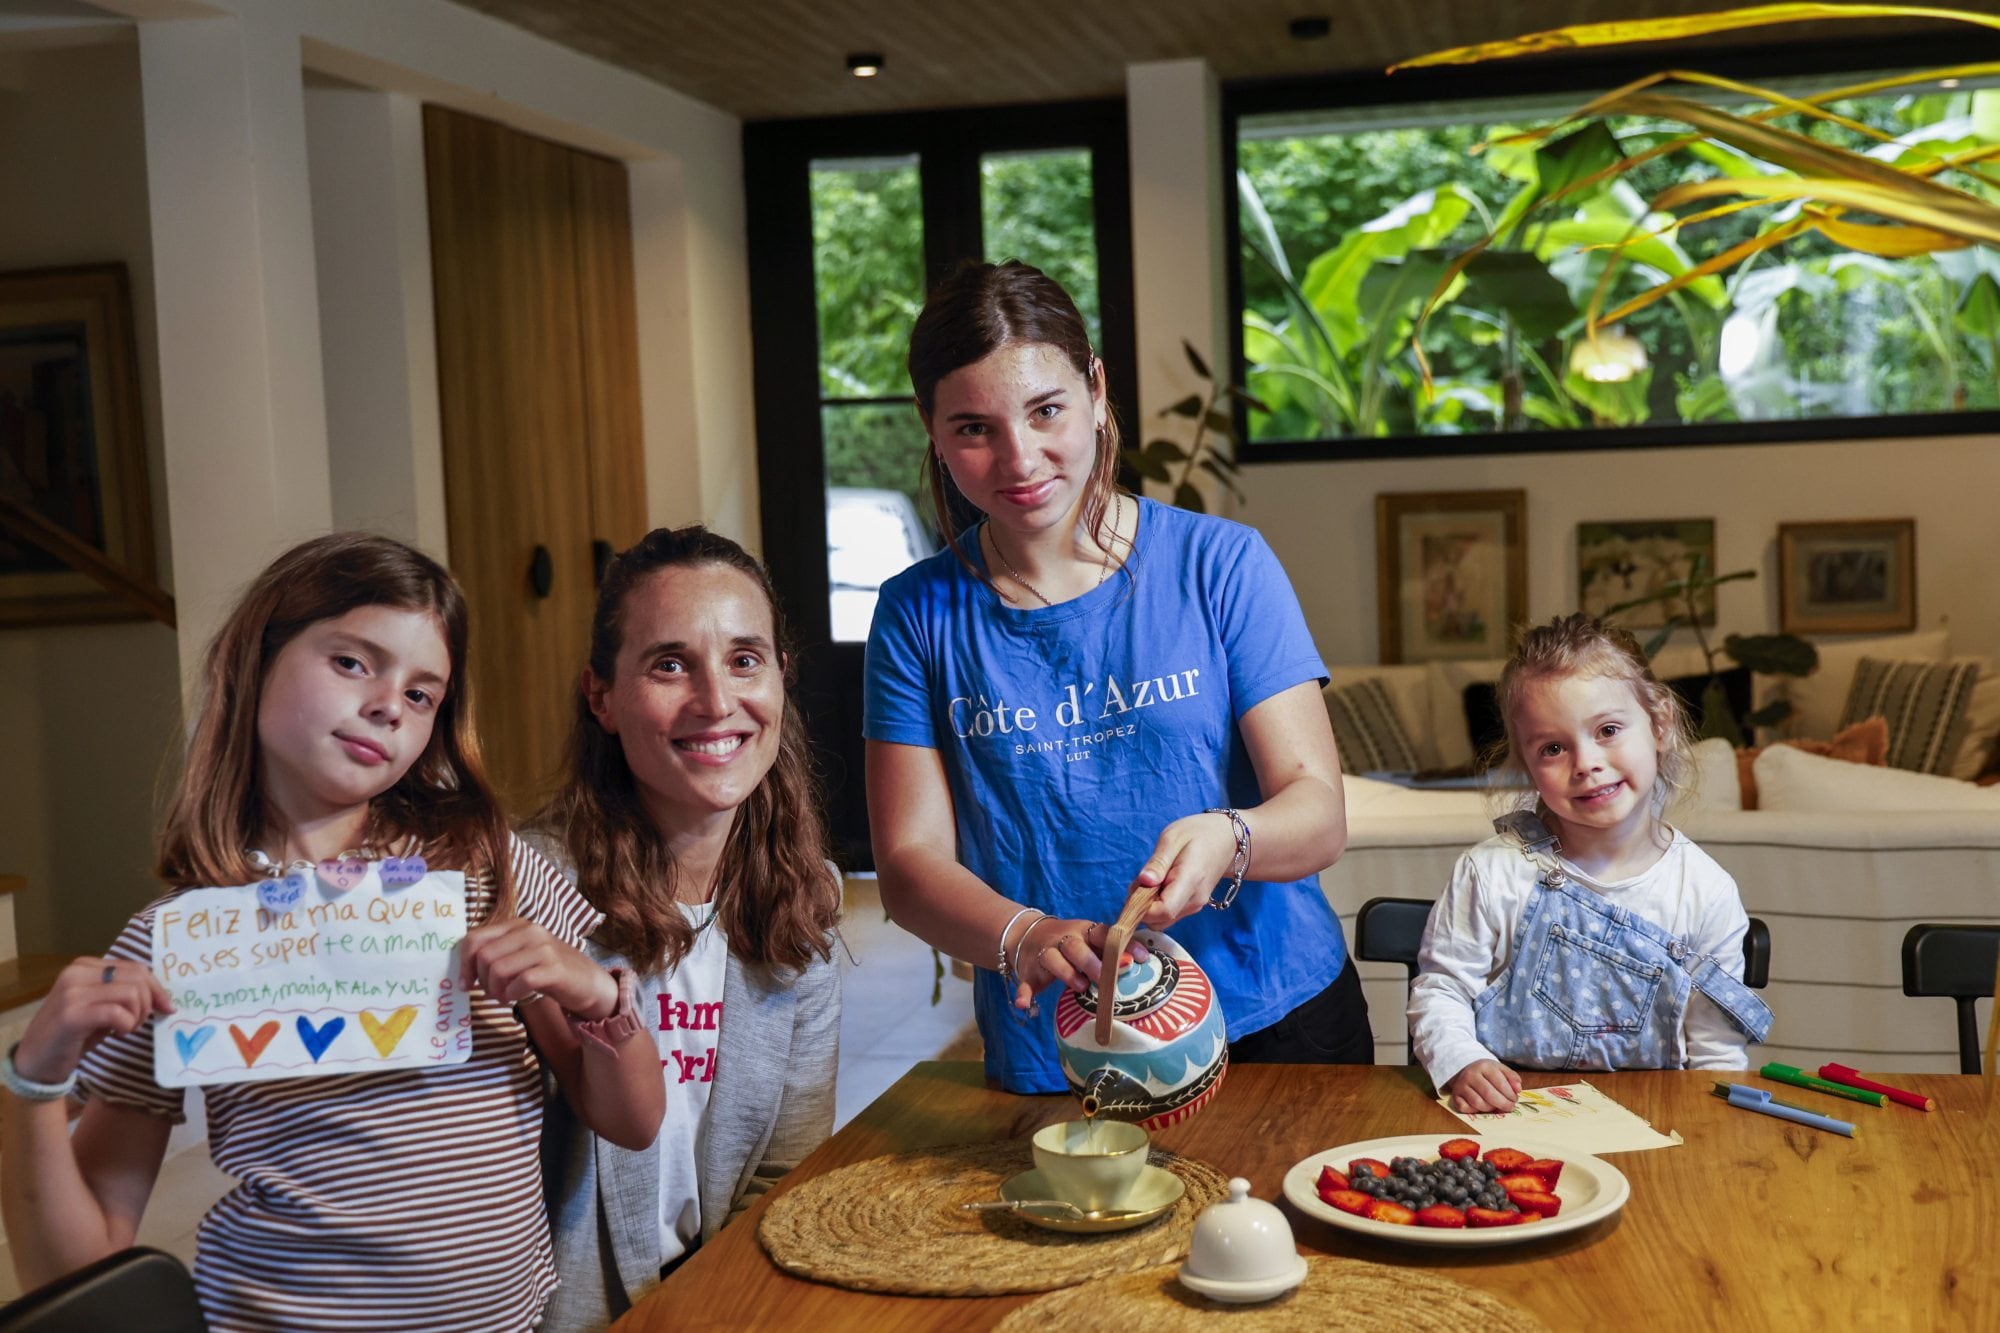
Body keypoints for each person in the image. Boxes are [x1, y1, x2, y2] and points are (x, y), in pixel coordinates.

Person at [0, 534, 663, 1332]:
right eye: (353, 662)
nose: (389, 702)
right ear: (257, 658)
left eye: (423, 694)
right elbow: (74, 1270)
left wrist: (595, 991)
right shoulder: (179, 941)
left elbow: (632, 1121)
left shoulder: (488, 874)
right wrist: (32, 1082)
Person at [865, 258, 1371, 1096]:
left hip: (1278, 1020)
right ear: (930, 425)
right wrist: (1021, 932)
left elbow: (1317, 816)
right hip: (1068, 1045)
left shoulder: (1222, 564)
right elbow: (910, 864)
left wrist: (1228, 837)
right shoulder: (916, 616)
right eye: (973, 428)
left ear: (1096, 390)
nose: (1019, 458)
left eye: (1046, 409)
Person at [535, 527, 842, 1332]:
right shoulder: (530, 895)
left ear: (782, 677)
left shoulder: (804, 896)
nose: (716, 702)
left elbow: (785, 1178)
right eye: (671, 664)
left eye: (745, 659)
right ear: (600, 696)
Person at [1408, 613, 1774, 1113]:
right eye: (1553, 748)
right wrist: (1462, 1061)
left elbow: (1715, 1051)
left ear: (1660, 723)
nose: (1585, 763)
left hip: (1655, 1124)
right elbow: (1442, 989)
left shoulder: (1705, 891)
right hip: (1508, 1119)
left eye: (1607, 730)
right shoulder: (1492, 873)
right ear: (1527, 764)